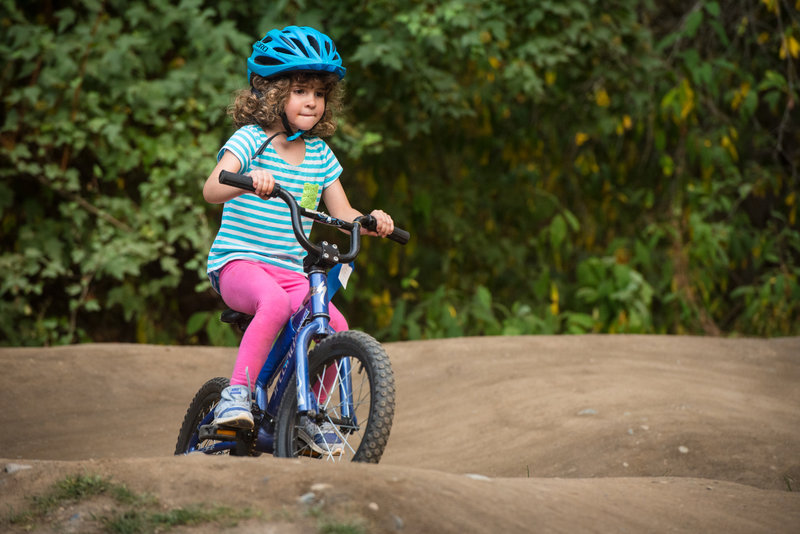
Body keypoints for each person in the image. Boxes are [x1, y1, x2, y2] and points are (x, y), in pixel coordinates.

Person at [202, 26, 394, 454]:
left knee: (337, 327)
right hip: (239, 264)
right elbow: (211, 189)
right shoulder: (252, 140)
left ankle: (308, 416)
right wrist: (248, 179)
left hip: (291, 270)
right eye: (301, 90)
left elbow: (344, 216)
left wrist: (371, 220)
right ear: (273, 95)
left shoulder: (321, 155)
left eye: (320, 93)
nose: (312, 101)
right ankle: (236, 395)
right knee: (273, 302)